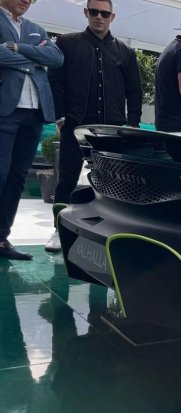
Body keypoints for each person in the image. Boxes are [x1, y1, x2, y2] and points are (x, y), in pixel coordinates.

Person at [45, 0, 143, 253]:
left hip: (110, 130)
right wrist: (59, 115)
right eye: (94, 11)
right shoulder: (67, 43)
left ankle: (107, 233)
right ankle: (58, 230)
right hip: (74, 125)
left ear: (112, 17)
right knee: (66, 180)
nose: (99, 16)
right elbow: (54, 80)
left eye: (105, 13)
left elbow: (134, 90)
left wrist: (133, 124)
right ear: (86, 12)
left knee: (111, 183)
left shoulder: (125, 52)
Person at [1, 0, 63, 260]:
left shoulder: (36, 28)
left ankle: (1, 238)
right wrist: (34, 57)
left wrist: (17, 48)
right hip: (4, 110)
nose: (27, 0)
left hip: (34, 112)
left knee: (17, 178)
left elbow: (56, 58)